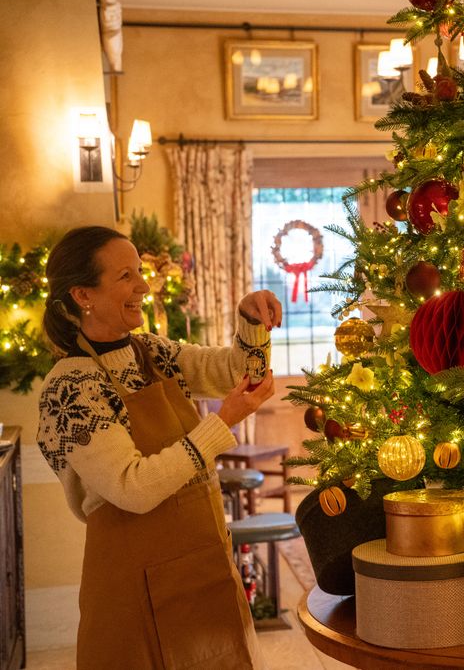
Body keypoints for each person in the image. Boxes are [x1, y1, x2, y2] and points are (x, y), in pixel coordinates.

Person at [36, 226, 282, 670]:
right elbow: (134, 488)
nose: (143, 287)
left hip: (200, 565)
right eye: (126, 276)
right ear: (82, 295)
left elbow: (239, 371)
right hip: (133, 586)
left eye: (141, 272)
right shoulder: (70, 388)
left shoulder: (149, 352)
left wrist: (250, 321)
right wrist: (221, 423)